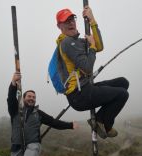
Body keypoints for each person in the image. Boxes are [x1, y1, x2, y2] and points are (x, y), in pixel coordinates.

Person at [55, 6, 129, 139]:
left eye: (72, 19)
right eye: (66, 21)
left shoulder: (77, 41)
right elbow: (87, 68)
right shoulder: (67, 43)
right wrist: (92, 47)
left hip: (86, 87)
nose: (71, 23)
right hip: (78, 95)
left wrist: (92, 20)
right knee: (122, 94)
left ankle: (99, 119)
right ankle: (105, 124)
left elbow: (99, 46)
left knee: (123, 82)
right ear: (59, 26)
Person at [7, 72, 78, 156]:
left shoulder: (38, 113)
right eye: (29, 96)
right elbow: (10, 98)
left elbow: (54, 122)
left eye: (34, 97)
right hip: (16, 147)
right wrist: (13, 83)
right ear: (23, 98)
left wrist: (70, 125)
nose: (31, 98)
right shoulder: (15, 110)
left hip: (32, 145)